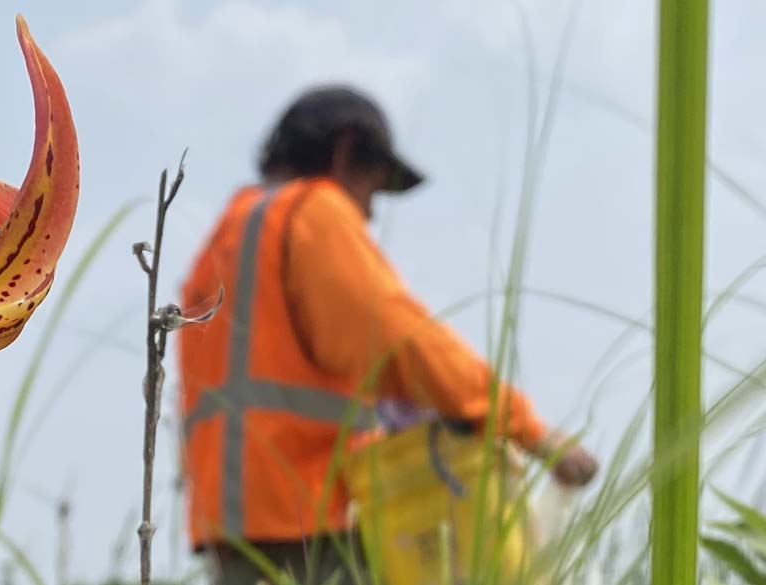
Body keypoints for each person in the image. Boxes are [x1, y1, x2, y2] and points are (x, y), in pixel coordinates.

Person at [174, 84, 599, 585]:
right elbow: (401, 343)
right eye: (372, 190)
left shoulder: (222, 239)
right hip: (311, 520)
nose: (370, 215)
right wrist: (535, 434)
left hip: (228, 532)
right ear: (345, 150)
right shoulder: (310, 212)